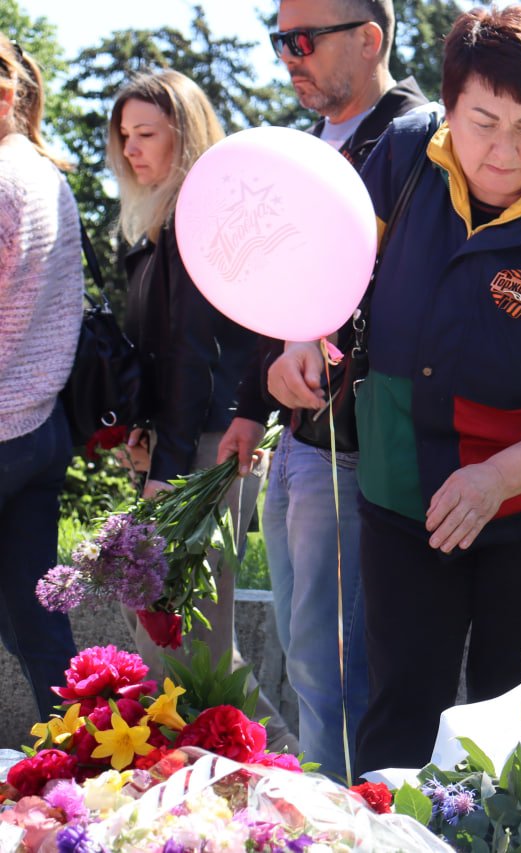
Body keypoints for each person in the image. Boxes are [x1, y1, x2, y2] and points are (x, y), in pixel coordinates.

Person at [267, 4, 521, 777]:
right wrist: (299, 338)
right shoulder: (403, 152)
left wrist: (499, 478)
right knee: (401, 710)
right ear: (447, 108)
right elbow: (334, 267)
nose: (504, 151)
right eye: (482, 122)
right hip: (406, 486)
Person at [217, 0, 430, 779]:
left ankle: (341, 816)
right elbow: (273, 295)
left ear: (370, 38)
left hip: (354, 443)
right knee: (312, 658)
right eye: (277, 40)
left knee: (330, 661)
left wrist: (308, 362)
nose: (287, 55)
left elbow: (394, 297)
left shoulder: (417, 138)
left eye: (302, 40)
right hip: (300, 434)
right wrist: (248, 405)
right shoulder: (311, 146)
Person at [106, 69, 295, 752]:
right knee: (182, 630)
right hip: (187, 442)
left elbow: (193, 355)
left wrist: (167, 461)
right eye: (124, 136)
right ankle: (257, 762)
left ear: (184, 135)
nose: (130, 149)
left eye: (146, 134)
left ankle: (282, 765)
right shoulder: (160, 222)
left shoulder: (193, 219)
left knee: (195, 636)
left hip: (208, 446)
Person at [0, 35, 82, 719]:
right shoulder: (48, 172)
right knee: (35, 623)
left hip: (3, 426)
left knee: (30, 620)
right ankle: (84, 771)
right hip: (40, 424)